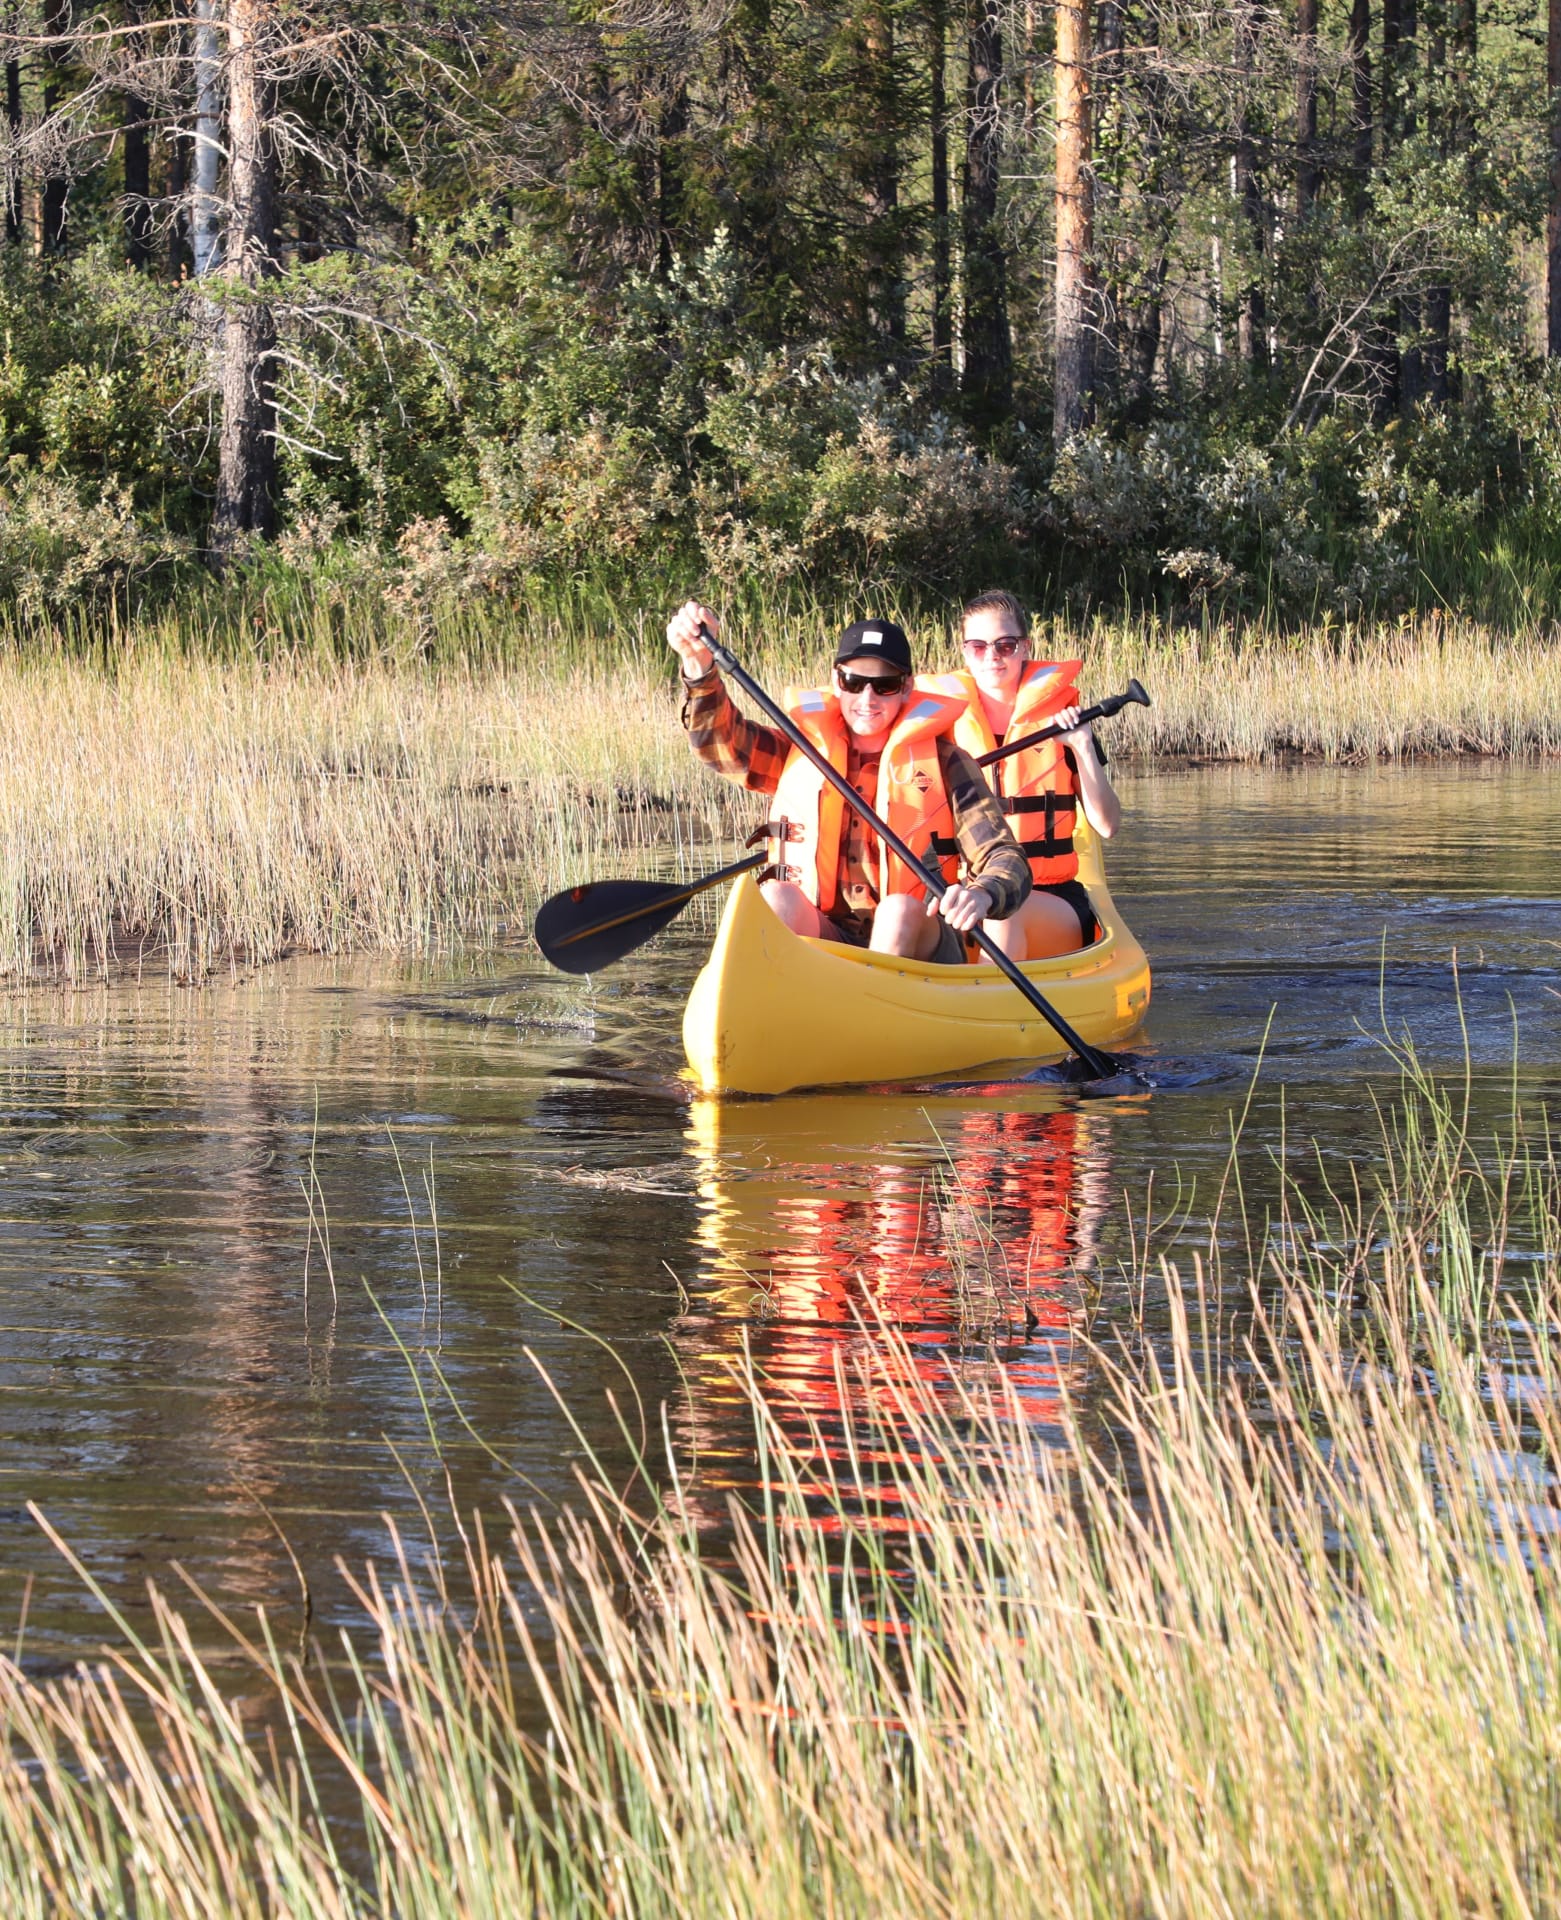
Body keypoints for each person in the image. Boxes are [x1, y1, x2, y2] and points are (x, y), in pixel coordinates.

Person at [666, 600, 1031, 962]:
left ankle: (873, 1011)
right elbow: (721, 747)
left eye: (884, 685)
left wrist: (982, 893)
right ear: (837, 682)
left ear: (906, 688)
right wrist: (699, 667)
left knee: (897, 911)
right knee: (778, 897)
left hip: (921, 946)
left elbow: (1004, 856)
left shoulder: (948, 763)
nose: (867, 698)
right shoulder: (801, 750)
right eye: (854, 682)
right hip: (829, 935)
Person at [936, 589, 1121, 959]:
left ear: (1024, 647)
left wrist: (1081, 745)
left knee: (1003, 912)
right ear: (964, 652)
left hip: (1051, 897)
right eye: (978, 646)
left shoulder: (1063, 721)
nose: (992, 657)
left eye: (1005, 645)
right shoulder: (942, 728)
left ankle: (990, 1011)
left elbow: (1107, 825)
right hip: (968, 894)